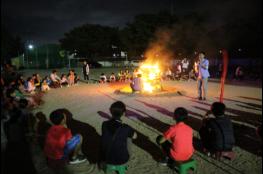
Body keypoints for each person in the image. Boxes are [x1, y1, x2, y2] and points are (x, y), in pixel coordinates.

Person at [101, 101, 137, 168]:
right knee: (129, 137)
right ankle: (125, 160)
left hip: (106, 157)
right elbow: (135, 136)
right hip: (121, 160)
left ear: (110, 111)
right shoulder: (126, 127)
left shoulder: (104, 124)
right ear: (123, 113)